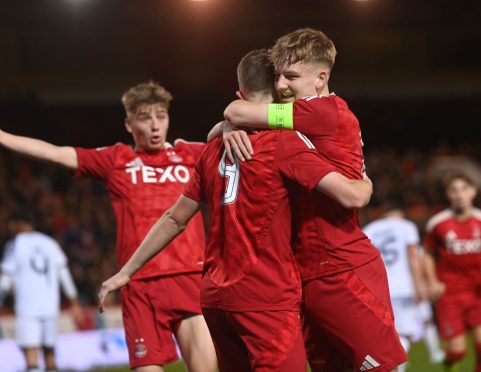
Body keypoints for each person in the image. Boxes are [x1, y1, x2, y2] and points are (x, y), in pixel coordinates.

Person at [97, 48, 374, 371]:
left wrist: (126, 272)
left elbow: (175, 217)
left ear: (240, 96)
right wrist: (364, 177)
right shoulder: (285, 144)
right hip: (266, 293)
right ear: (280, 91)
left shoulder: (211, 151)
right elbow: (352, 197)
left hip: (216, 298)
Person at [222, 28, 407, 372]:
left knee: (383, 368)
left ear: (321, 77)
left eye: (291, 77)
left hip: (341, 267)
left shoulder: (320, 113)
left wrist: (232, 123)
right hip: (305, 272)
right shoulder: (301, 117)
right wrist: (230, 127)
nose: (280, 86)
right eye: (277, 77)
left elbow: (237, 111)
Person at [0, 82, 217, 372]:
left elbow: (237, 143)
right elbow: (56, 153)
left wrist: (230, 127)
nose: (155, 125)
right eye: (144, 117)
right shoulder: (116, 160)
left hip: (189, 277)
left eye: (161, 116)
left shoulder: (192, 154)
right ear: (129, 124)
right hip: (138, 285)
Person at [423, 172, 481, 372]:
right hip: (450, 293)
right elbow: (427, 254)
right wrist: (433, 282)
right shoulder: (437, 224)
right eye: (454, 190)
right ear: (448, 195)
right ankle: (450, 362)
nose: (459, 194)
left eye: (463, 189)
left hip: (479, 291)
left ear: (473, 192)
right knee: (457, 352)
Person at [363, 206, 445, 371]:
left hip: (378, 290)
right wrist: (418, 285)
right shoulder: (406, 226)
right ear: (399, 214)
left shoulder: (370, 229)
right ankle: (396, 368)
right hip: (403, 288)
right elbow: (413, 256)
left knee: (386, 334)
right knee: (405, 333)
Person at [0, 210, 83, 372]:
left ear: (17, 223)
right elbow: (64, 274)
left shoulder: (15, 244)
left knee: (31, 353)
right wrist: (74, 302)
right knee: (49, 353)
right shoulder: (50, 243)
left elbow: (6, 279)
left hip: (27, 308)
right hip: (50, 307)